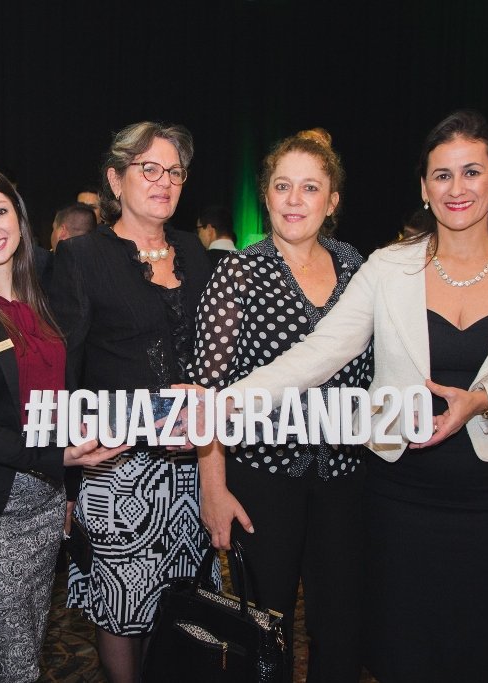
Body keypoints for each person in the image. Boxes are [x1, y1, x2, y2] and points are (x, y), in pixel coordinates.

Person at [213, 110, 488, 682]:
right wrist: (222, 403)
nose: (457, 188)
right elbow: (319, 353)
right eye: (442, 175)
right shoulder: (388, 268)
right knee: (405, 648)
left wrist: (484, 400)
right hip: (400, 493)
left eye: (471, 172)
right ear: (424, 188)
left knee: (487, 646)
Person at [0, 164, 126, 682]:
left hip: (44, 504)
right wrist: (59, 456)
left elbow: (58, 393)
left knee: (23, 653)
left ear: (19, 216)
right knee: (11, 666)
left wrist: (69, 472)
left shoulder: (44, 294)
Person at [191, 128, 373, 682]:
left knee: (342, 623)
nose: (295, 200)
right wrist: (213, 487)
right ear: (266, 196)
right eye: (282, 185)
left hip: (345, 475)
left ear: (332, 201)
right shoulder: (239, 273)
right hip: (263, 476)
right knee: (264, 626)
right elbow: (208, 391)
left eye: (310, 187)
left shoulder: (357, 266)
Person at [49, 121, 212, 683]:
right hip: (116, 468)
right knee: (122, 607)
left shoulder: (195, 252)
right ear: (116, 180)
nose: (164, 181)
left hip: (192, 468)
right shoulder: (81, 257)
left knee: (184, 607)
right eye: (149, 169)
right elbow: (66, 371)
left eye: (175, 172)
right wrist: (67, 480)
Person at [195, 204, 236, 269]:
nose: (198, 235)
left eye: (198, 230)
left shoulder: (199, 261)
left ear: (209, 230)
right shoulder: (247, 260)